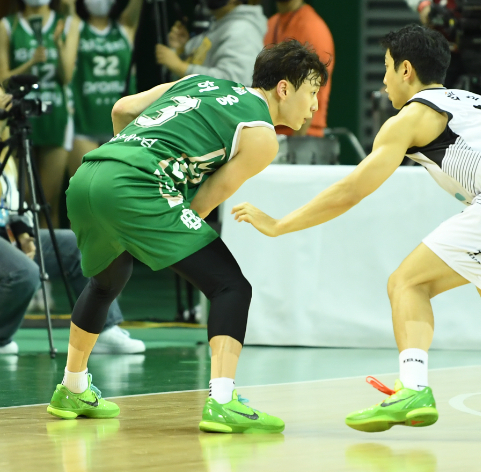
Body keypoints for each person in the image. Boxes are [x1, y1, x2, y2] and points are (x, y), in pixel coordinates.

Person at [231, 25, 481, 433]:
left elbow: (352, 190)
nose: (384, 80)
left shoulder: (410, 118)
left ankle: (412, 387)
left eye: (388, 68)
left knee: (406, 283)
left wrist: (282, 224)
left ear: (407, 70)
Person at [45, 40, 327, 434]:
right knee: (230, 286)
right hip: (135, 185)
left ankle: (73, 386)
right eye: (312, 92)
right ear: (284, 88)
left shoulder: (201, 81)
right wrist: (150, 214)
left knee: (107, 281)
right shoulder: (262, 136)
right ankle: (223, 401)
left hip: (90, 175)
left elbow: (122, 108)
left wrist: (126, 175)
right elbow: (203, 203)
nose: (314, 105)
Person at [0, 88, 144, 356]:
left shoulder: (8, 146)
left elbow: (11, 200)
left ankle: (102, 330)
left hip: (5, 232)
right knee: (24, 273)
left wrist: (23, 232)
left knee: (77, 246)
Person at [0, 0, 80, 228]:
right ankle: (25, 252)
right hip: (18, 115)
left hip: (55, 116)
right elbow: (3, 78)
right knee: (21, 197)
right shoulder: (7, 25)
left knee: (48, 200)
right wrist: (30, 62)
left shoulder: (67, 24)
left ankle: (49, 260)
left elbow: (66, 78)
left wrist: (57, 43)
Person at [67, 0, 143, 178]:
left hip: (121, 128)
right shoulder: (76, 27)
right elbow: (67, 7)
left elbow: (136, 5)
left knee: (113, 195)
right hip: (83, 125)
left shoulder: (125, 27)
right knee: (83, 191)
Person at [155, 0, 266, 85]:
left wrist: (180, 67)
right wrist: (183, 50)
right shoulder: (220, 25)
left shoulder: (242, 30)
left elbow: (235, 83)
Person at [266, 0, 334, 137]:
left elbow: (313, 90)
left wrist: (296, 143)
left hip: (300, 136)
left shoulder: (312, 27)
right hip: (270, 131)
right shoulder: (271, 23)